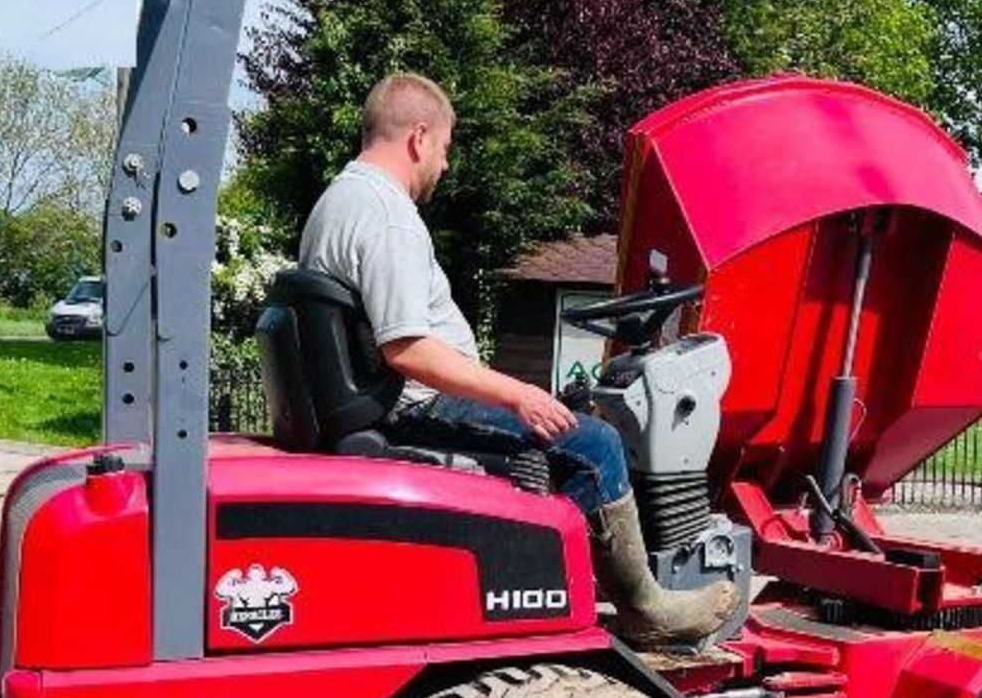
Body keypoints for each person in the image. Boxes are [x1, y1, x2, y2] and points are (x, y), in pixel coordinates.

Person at [298, 72, 737, 648]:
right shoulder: (385, 215)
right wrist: (518, 394)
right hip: (414, 404)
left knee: (566, 428)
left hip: (383, 402)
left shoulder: (339, 201)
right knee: (595, 448)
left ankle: (575, 585)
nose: (445, 167)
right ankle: (642, 608)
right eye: (447, 150)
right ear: (419, 138)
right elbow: (408, 348)